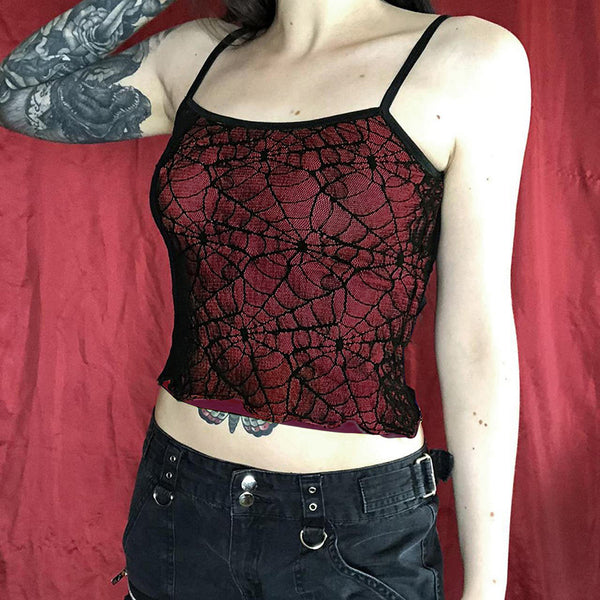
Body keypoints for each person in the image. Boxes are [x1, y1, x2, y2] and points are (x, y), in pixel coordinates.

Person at [0, 0, 530, 599]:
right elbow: (15, 93)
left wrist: (487, 585)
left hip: (350, 531)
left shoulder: (467, 59)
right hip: (178, 504)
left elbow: (477, 329)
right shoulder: (198, 53)